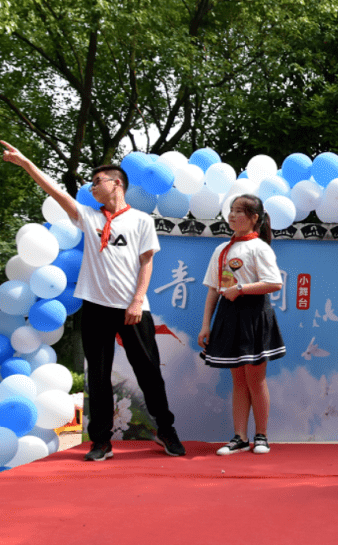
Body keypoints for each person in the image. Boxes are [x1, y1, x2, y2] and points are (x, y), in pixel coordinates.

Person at [1, 141, 185, 460]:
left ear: (117, 183)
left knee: (149, 372)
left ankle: (166, 431)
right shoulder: (88, 217)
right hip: (96, 308)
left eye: (97, 181)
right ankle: (101, 441)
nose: (91, 186)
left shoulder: (140, 221)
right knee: (98, 376)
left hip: (134, 308)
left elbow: (146, 262)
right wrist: (27, 164)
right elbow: (56, 191)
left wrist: (137, 300)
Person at [197, 194, 285, 456]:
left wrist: (241, 288)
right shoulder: (221, 250)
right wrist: (206, 325)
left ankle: (261, 436)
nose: (233, 215)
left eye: (239, 211)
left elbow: (274, 283)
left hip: (254, 315)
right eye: (231, 210)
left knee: (256, 380)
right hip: (228, 315)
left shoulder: (260, 248)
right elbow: (213, 289)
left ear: (254, 218)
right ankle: (239, 437)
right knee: (238, 381)